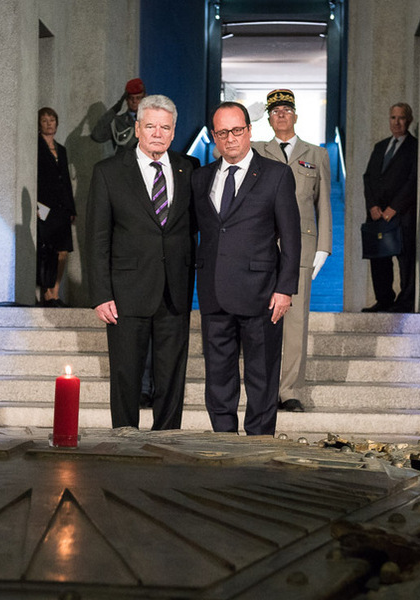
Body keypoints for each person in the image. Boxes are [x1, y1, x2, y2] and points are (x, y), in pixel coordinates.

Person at [87, 94, 195, 430]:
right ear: (137, 128)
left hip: (174, 291)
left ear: (174, 132)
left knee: (171, 378)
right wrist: (101, 293)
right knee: (126, 375)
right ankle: (124, 441)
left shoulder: (188, 168)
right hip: (125, 293)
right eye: (150, 126)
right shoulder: (108, 172)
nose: (158, 134)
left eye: (165, 127)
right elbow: (96, 238)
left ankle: (167, 443)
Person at [192, 102, 300, 436]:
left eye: (237, 130)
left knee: (262, 376)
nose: (230, 139)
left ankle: (258, 446)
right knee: (219, 377)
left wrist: (285, 289)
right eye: (222, 133)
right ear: (214, 137)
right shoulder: (200, 178)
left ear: (250, 131)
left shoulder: (276, 174)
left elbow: (292, 238)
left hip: (262, 295)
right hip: (214, 294)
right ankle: (224, 441)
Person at [252, 89, 332, 413]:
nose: (281, 115)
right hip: (262, 245)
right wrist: (249, 114)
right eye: (274, 111)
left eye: (286, 109)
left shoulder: (316, 154)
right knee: (263, 322)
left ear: (296, 115)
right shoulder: (256, 151)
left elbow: (323, 202)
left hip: (301, 246)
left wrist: (324, 246)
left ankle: (290, 390)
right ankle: (266, 388)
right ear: (268, 117)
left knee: (296, 323)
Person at [361, 102, 418, 313]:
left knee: (405, 259)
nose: (397, 122)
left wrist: (394, 208)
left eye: (401, 118)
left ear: (409, 120)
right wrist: (373, 206)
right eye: (393, 118)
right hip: (377, 215)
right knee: (379, 259)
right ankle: (384, 299)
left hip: (401, 214)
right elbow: (368, 178)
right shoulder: (380, 147)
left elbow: (412, 181)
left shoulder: (414, 147)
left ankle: (405, 301)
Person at [36, 107, 77, 307]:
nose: (49, 123)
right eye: (45, 120)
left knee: (63, 251)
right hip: (44, 205)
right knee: (48, 250)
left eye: (52, 120)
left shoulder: (61, 149)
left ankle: (55, 292)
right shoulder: (36, 147)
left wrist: (72, 208)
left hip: (62, 206)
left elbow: (66, 180)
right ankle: (46, 292)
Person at [91, 77, 146, 155]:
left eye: (138, 98)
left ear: (144, 98)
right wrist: (116, 108)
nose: (134, 101)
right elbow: (97, 135)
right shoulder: (118, 122)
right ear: (126, 99)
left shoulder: (153, 120)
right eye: (131, 98)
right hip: (124, 165)